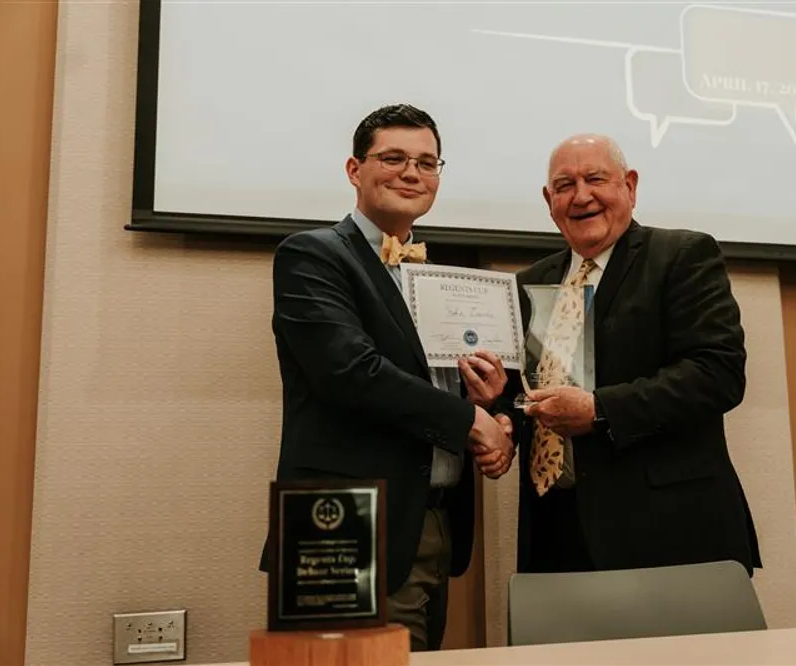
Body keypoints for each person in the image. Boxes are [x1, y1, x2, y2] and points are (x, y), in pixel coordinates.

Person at [259, 104, 515, 651]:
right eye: (393, 158)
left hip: (434, 522)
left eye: (426, 162)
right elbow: (352, 373)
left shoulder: (436, 278)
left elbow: (433, 391)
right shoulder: (312, 255)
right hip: (348, 526)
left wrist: (487, 403)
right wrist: (471, 421)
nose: (411, 173)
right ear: (355, 170)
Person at [505, 134, 761, 577]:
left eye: (595, 179)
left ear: (630, 186)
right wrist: (498, 408)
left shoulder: (681, 256)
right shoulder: (528, 283)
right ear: (549, 201)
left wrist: (599, 410)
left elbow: (716, 374)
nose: (580, 196)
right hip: (556, 534)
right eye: (564, 186)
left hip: (668, 533)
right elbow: (527, 390)